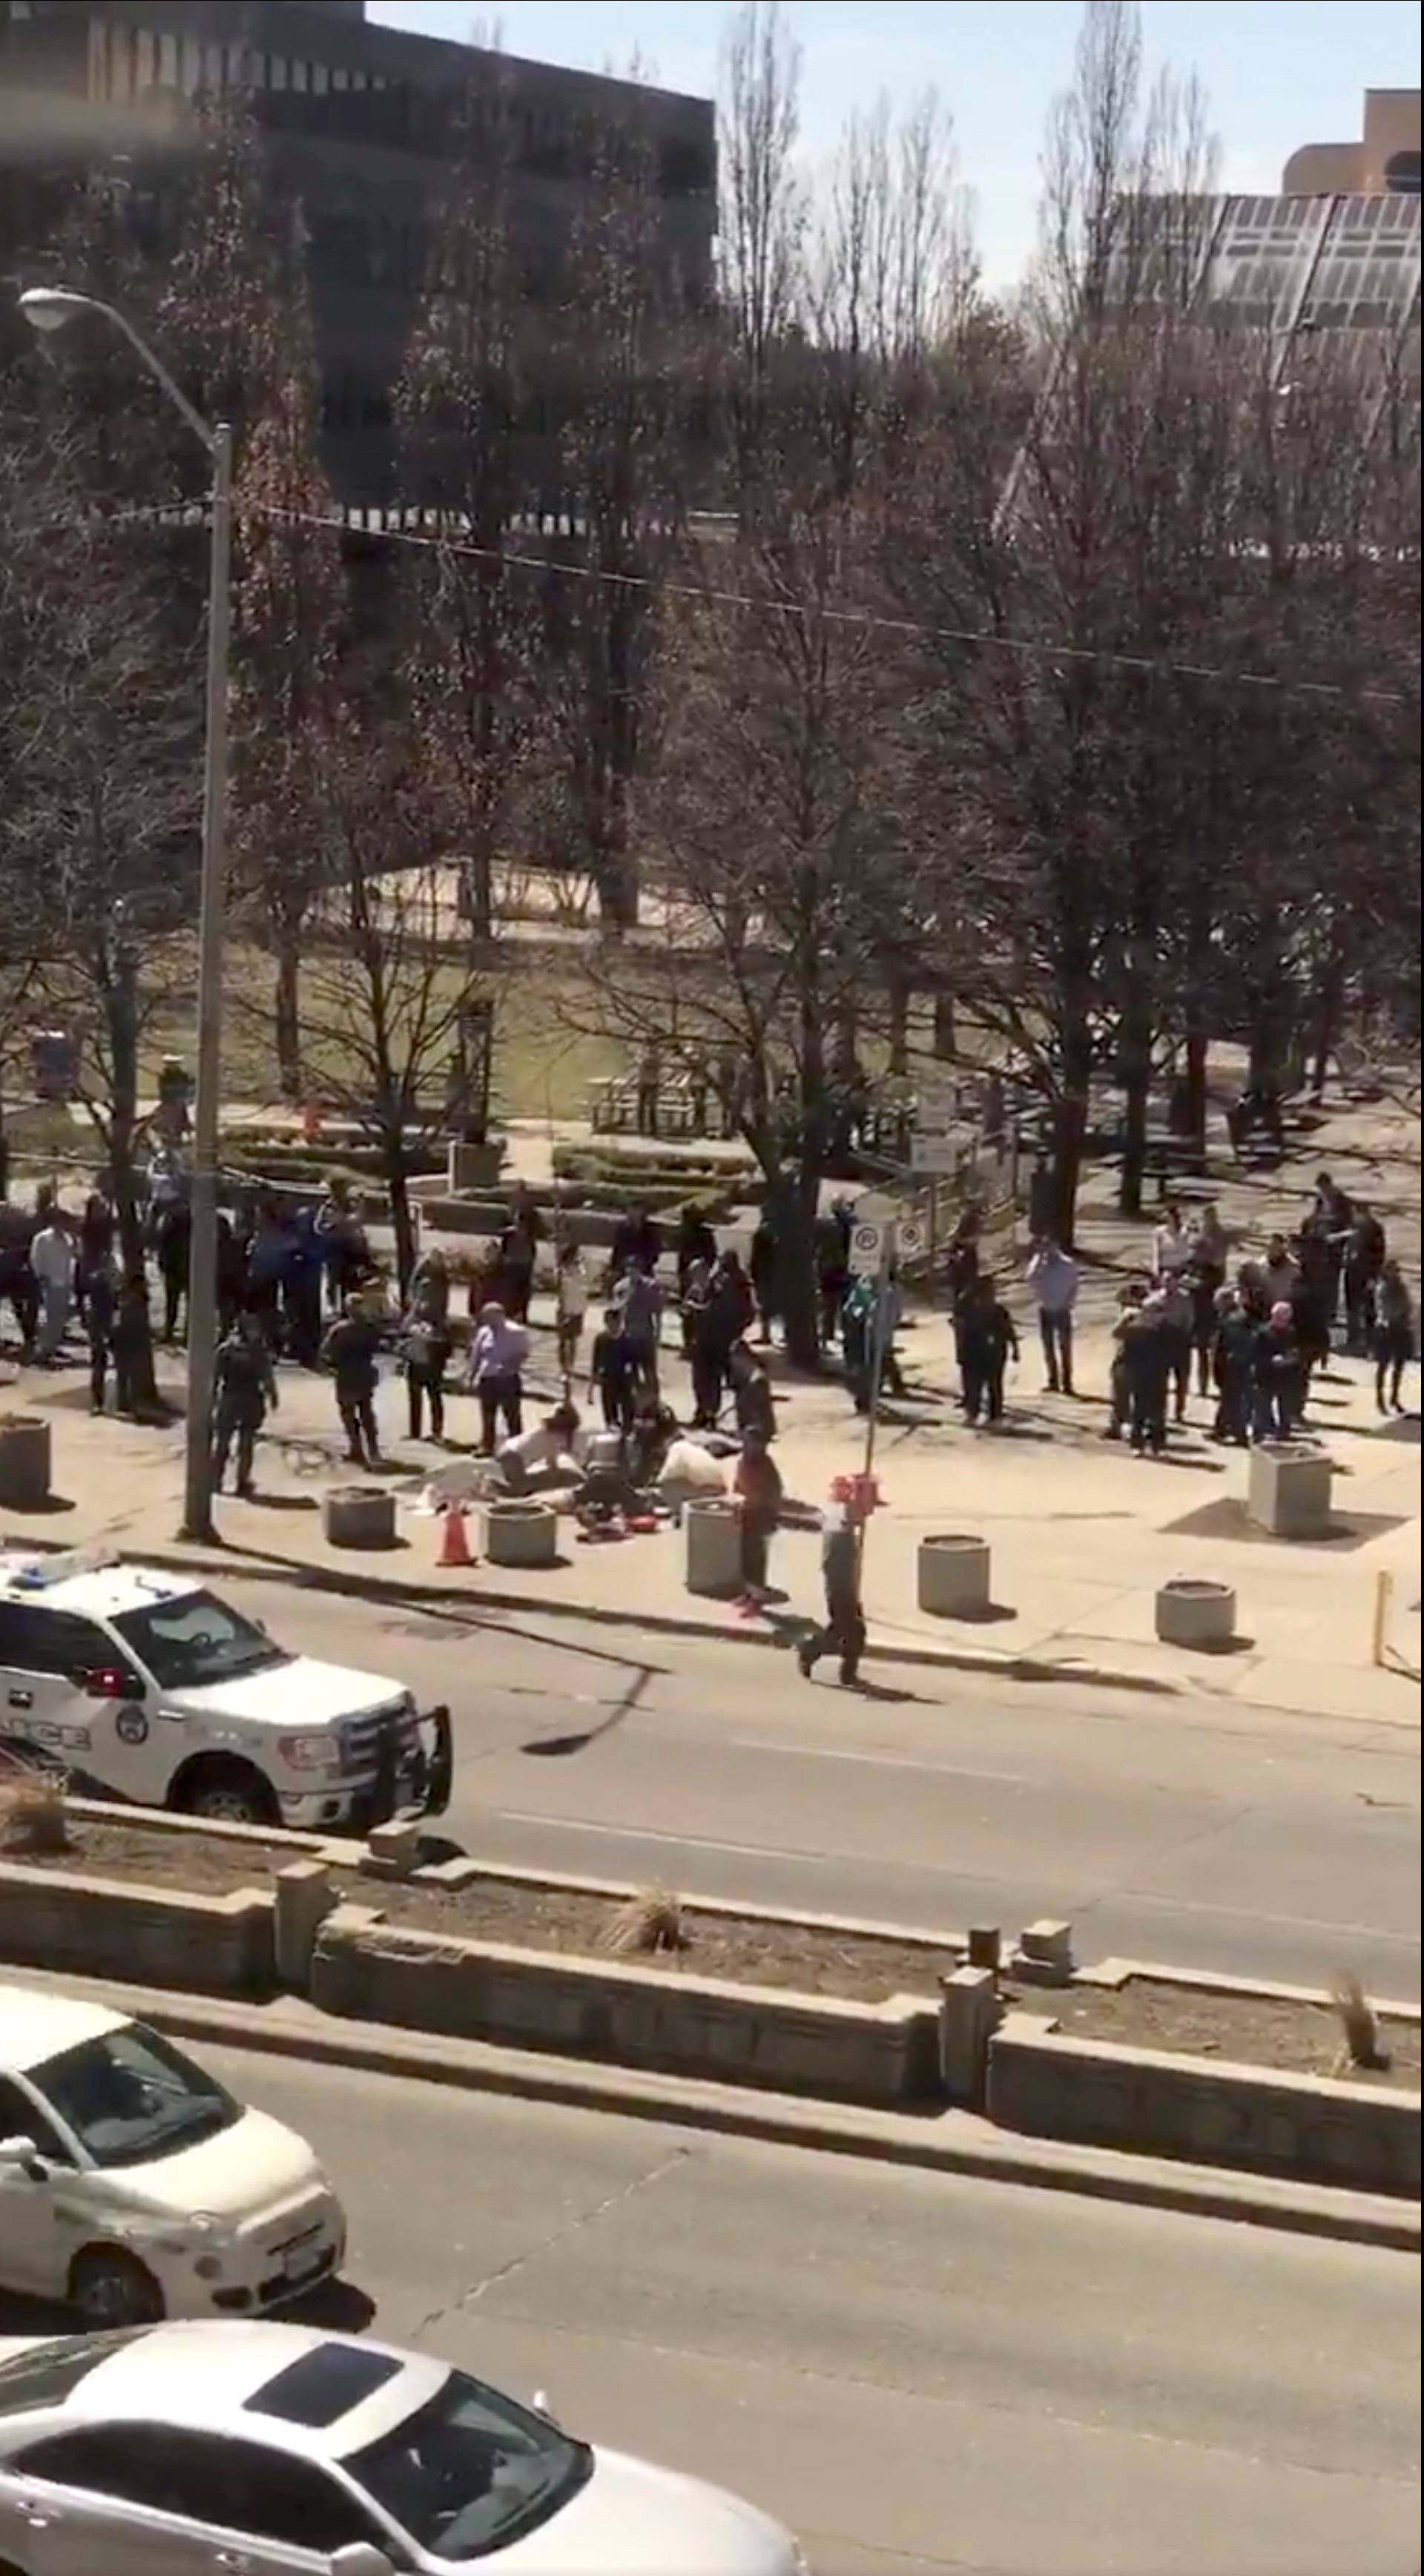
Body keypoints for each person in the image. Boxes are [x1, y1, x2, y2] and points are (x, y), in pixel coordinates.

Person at [797, 1478, 868, 1687]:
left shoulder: (840, 1521)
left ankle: (847, 1672)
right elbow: (834, 1563)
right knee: (848, 1631)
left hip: (847, 1586)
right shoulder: (837, 1524)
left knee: (847, 1630)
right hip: (839, 1588)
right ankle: (810, 1651)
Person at [211, 1312, 278, 1498]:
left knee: (224, 1441)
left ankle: (216, 1480)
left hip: (230, 1397)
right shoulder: (258, 1351)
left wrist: (212, 1397)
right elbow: (267, 1377)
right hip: (249, 1399)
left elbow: (214, 1376)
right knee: (245, 1443)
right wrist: (273, 1396)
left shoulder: (226, 1349)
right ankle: (241, 1482)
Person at [322, 1292, 384, 1468]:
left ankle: (356, 1448)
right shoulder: (370, 1328)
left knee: (349, 1414)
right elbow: (377, 1347)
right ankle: (373, 1449)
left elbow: (326, 1352)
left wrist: (330, 1366)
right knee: (367, 1412)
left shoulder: (339, 1330)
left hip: (346, 1375)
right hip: (364, 1373)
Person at [957, 1273, 1019, 1426]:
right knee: (973, 1385)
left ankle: (995, 1415)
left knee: (994, 1385)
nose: (989, 1296)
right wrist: (961, 1353)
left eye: (991, 1292)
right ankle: (972, 1413)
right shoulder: (969, 1311)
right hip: (974, 1352)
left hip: (994, 1353)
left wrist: (1015, 1349)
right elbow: (961, 1332)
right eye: (985, 1292)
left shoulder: (999, 1312)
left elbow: (1008, 1331)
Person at [467, 1298, 528, 1453]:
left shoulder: (516, 1332)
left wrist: (510, 1364)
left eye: (489, 1317)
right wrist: (471, 1375)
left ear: (499, 1315)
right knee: (488, 1415)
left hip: (508, 1378)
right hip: (487, 1377)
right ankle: (487, 1446)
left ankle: (518, 1447)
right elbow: (477, 1356)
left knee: (512, 1415)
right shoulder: (484, 1332)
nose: (486, 1321)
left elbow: (523, 1354)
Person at [733, 1424, 783, 1606]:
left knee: (756, 1555)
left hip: (761, 1513)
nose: (751, 1446)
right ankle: (747, 1592)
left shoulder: (766, 1465)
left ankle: (757, 1597)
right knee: (744, 1554)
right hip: (746, 1512)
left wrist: (771, 1513)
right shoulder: (743, 1461)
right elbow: (737, 1484)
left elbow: (775, 1491)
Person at [1122, 1290, 1172, 1456]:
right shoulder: (1136, 1330)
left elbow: (1173, 1353)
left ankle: (1158, 1445)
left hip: (1159, 1374)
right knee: (1139, 1410)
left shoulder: (1166, 1331)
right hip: (1140, 1374)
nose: (1158, 1315)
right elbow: (1128, 1353)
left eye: (1160, 1311)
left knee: (1158, 1411)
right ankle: (1137, 1444)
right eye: (1154, 1311)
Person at [1026, 1237, 1078, 1395]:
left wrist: (1070, 1302)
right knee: (1048, 1347)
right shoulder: (1040, 1266)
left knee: (1065, 1347)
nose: (1048, 1250)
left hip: (1062, 1309)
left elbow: (1074, 1285)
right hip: (1046, 1309)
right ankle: (1053, 1380)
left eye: (1050, 1246)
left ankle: (1067, 1383)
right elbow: (1030, 1278)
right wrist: (1038, 1259)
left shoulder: (1067, 1265)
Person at [400, 1285, 452, 1443]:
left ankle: (437, 1432)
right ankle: (414, 1431)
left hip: (432, 1363)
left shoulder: (439, 1317)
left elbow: (446, 1342)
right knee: (415, 1397)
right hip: (415, 1360)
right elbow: (404, 1328)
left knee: (434, 1397)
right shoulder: (415, 1314)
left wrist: (436, 1346)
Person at [1187, 1204, 1228, 1394]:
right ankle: (1193, 1383)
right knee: (1192, 1346)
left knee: (1207, 1345)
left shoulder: (1219, 1239)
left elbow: (1218, 1266)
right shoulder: (1194, 1256)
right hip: (1192, 1302)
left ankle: (1207, 1383)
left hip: (1207, 1302)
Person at [1252, 1301, 1304, 1441]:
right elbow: (1255, 1355)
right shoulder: (1263, 1333)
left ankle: (1283, 1432)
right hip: (1265, 1376)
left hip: (1285, 1376)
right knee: (1262, 1407)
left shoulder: (1291, 1332)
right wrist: (1270, 1360)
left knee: (1285, 1407)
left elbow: (1296, 1352)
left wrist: (1291, 1358)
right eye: (1280, 1318)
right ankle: (1259, 1434)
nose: (1282, 1321)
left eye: (1285, 1318)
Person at [1211, 1287, 1256, 1446]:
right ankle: (1220, 1428)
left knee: (1233, 1401)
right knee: (1228, 1399)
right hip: (1231, 1364)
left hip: (1234, 1366)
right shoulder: (1230, 1317)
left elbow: (1231, 1344)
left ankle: (1239, 1434)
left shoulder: (1235, 1320)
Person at [1370, 1261, 1415, 1415]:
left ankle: (1394, 1397)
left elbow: (1408, 1306)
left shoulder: (1402, 1288)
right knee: (1383, 1366)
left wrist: (1406, 1318)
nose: (1396, 1274)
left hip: (1400, 1327)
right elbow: (1383, 1310)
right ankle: (1380, 1397)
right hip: (1386, 1328)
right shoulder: (1383, 1288)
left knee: (1399, 1365)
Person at [611, 1259, 662, 1393]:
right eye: (630, 1269)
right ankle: (637, 1400)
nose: (632, 1272)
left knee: (649, 1371)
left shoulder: (651, 1287)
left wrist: (658, 1332)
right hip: (628, 1335)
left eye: (635, 1269)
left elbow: (657, 1311)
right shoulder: (620, 1287)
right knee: (631, 1371)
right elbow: (615, 1309)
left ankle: (653, 1400)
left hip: (645, 1334)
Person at [1342, 1203, 1388, 1355]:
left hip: (1367, 1272)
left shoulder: (1375, 1230)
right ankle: (1353, 1339)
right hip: (1352, 1272)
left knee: (1368, 1307)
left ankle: (1370, 1341)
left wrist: (1374, 1275)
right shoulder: (1351, 1227)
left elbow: (1379, 1254)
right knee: (1351, 1307)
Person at [30, 1207, 74, 1361]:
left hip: (64, 1281)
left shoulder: (68, 1239)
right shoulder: (42, 1238)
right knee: (48, 1317)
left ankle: (52, 1347)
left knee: (60, 1317)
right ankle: (42, 1350)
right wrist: (41, 1277)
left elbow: (73, 1258)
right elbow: (36, 1259)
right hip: (50, 1282)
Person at [589, 1306, 640, 1433]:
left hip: (624, 1378)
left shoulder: (627, 1339)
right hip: (608, 1378)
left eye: (615, 1322)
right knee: (609, 1409)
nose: (612, 1325)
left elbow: (634, 1361)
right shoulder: (601, 1339)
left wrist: (635, 1380)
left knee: (628, 1409)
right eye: (609, 1322)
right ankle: (612, 1428)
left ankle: (627, 1430)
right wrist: (593, 1381)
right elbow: (596, 1361)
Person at [109, 1274, 151, 1416]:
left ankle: (126, 1404)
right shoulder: (132, 1304)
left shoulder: (131, 1303)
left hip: (128, 1343)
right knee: (129, 1376)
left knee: (126, 1376)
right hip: (128, 1343)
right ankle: (129, 1405)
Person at [1157, 1269, 1194, 1424]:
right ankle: (1161, 1410)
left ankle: (1180, 1411)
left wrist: (1184, 1335)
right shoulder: (1157, 1298)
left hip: (1180, 1340)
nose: (1168, 1284)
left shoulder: (1185, 1298)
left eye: (1170, 1280)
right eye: (1165, 1281)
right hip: (1162, 1342)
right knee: (1160, 1379)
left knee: (1182, 1379)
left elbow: (1190, 1319)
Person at [85, 1254, 119, 1416]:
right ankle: (97, 1402)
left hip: (108, 1323)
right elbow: (96, 1307)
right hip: (99, 1323)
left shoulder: (112, 1282)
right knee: (99, 1362)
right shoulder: (98, 1282)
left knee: (105, 1363)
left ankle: (109, 1400)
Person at [729, 1336, 776, 1442]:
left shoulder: (739, 1360)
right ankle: (766, 1430)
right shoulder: (748, 1360)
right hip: (757, 1381)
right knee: (760, 1407)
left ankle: (751, 1429)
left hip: (753, 1382)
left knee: (748, 1407)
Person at [555, 1241, 589, 1376]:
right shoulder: (561, 1271)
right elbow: (559, 1289)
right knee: (563, 1339)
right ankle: (563, 1366)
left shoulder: (581, 1269)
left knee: (573, 1339)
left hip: (578, 1308)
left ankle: (571, 1366)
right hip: (565, 1308)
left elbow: (585, 1281)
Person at [749, 1218, 780, 1344]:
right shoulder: (775, 1237)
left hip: (763, 1274)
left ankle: (765, 1334)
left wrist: (753, 1272)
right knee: (767, 1306)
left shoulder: (761, 1236)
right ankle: (766, 1333)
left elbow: (755, 1258)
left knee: (764, 1306)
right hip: (770, 1274)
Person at [1153, 1201, 1193, 1280]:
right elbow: (1155, 1251)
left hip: (1181, 1268)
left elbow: (1191, 1249)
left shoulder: (1185, 1231)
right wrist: (1155, 1268)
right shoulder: (1159, 1232)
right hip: (1165, 1268)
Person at [1260, 1234, 1299, 1313]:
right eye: (1271, 1248)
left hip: (1285, 1315)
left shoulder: (1294, 1269)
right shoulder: (1261, 1266)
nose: (1273, 1253)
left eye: (1277, 1249)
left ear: (1284, 1249)